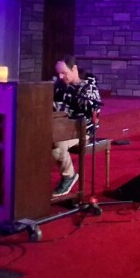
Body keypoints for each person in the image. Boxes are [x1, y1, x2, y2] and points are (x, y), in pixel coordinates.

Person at [52, 54, 102, 198]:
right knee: (44, 137)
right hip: (62, 127)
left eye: (64, 73)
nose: (61, 77)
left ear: (74, 69)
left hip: (82, 130)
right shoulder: (60, 86)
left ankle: (69, 176)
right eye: (59, 74)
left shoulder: (88, 88)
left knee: (57, 142)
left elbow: (93, 117)